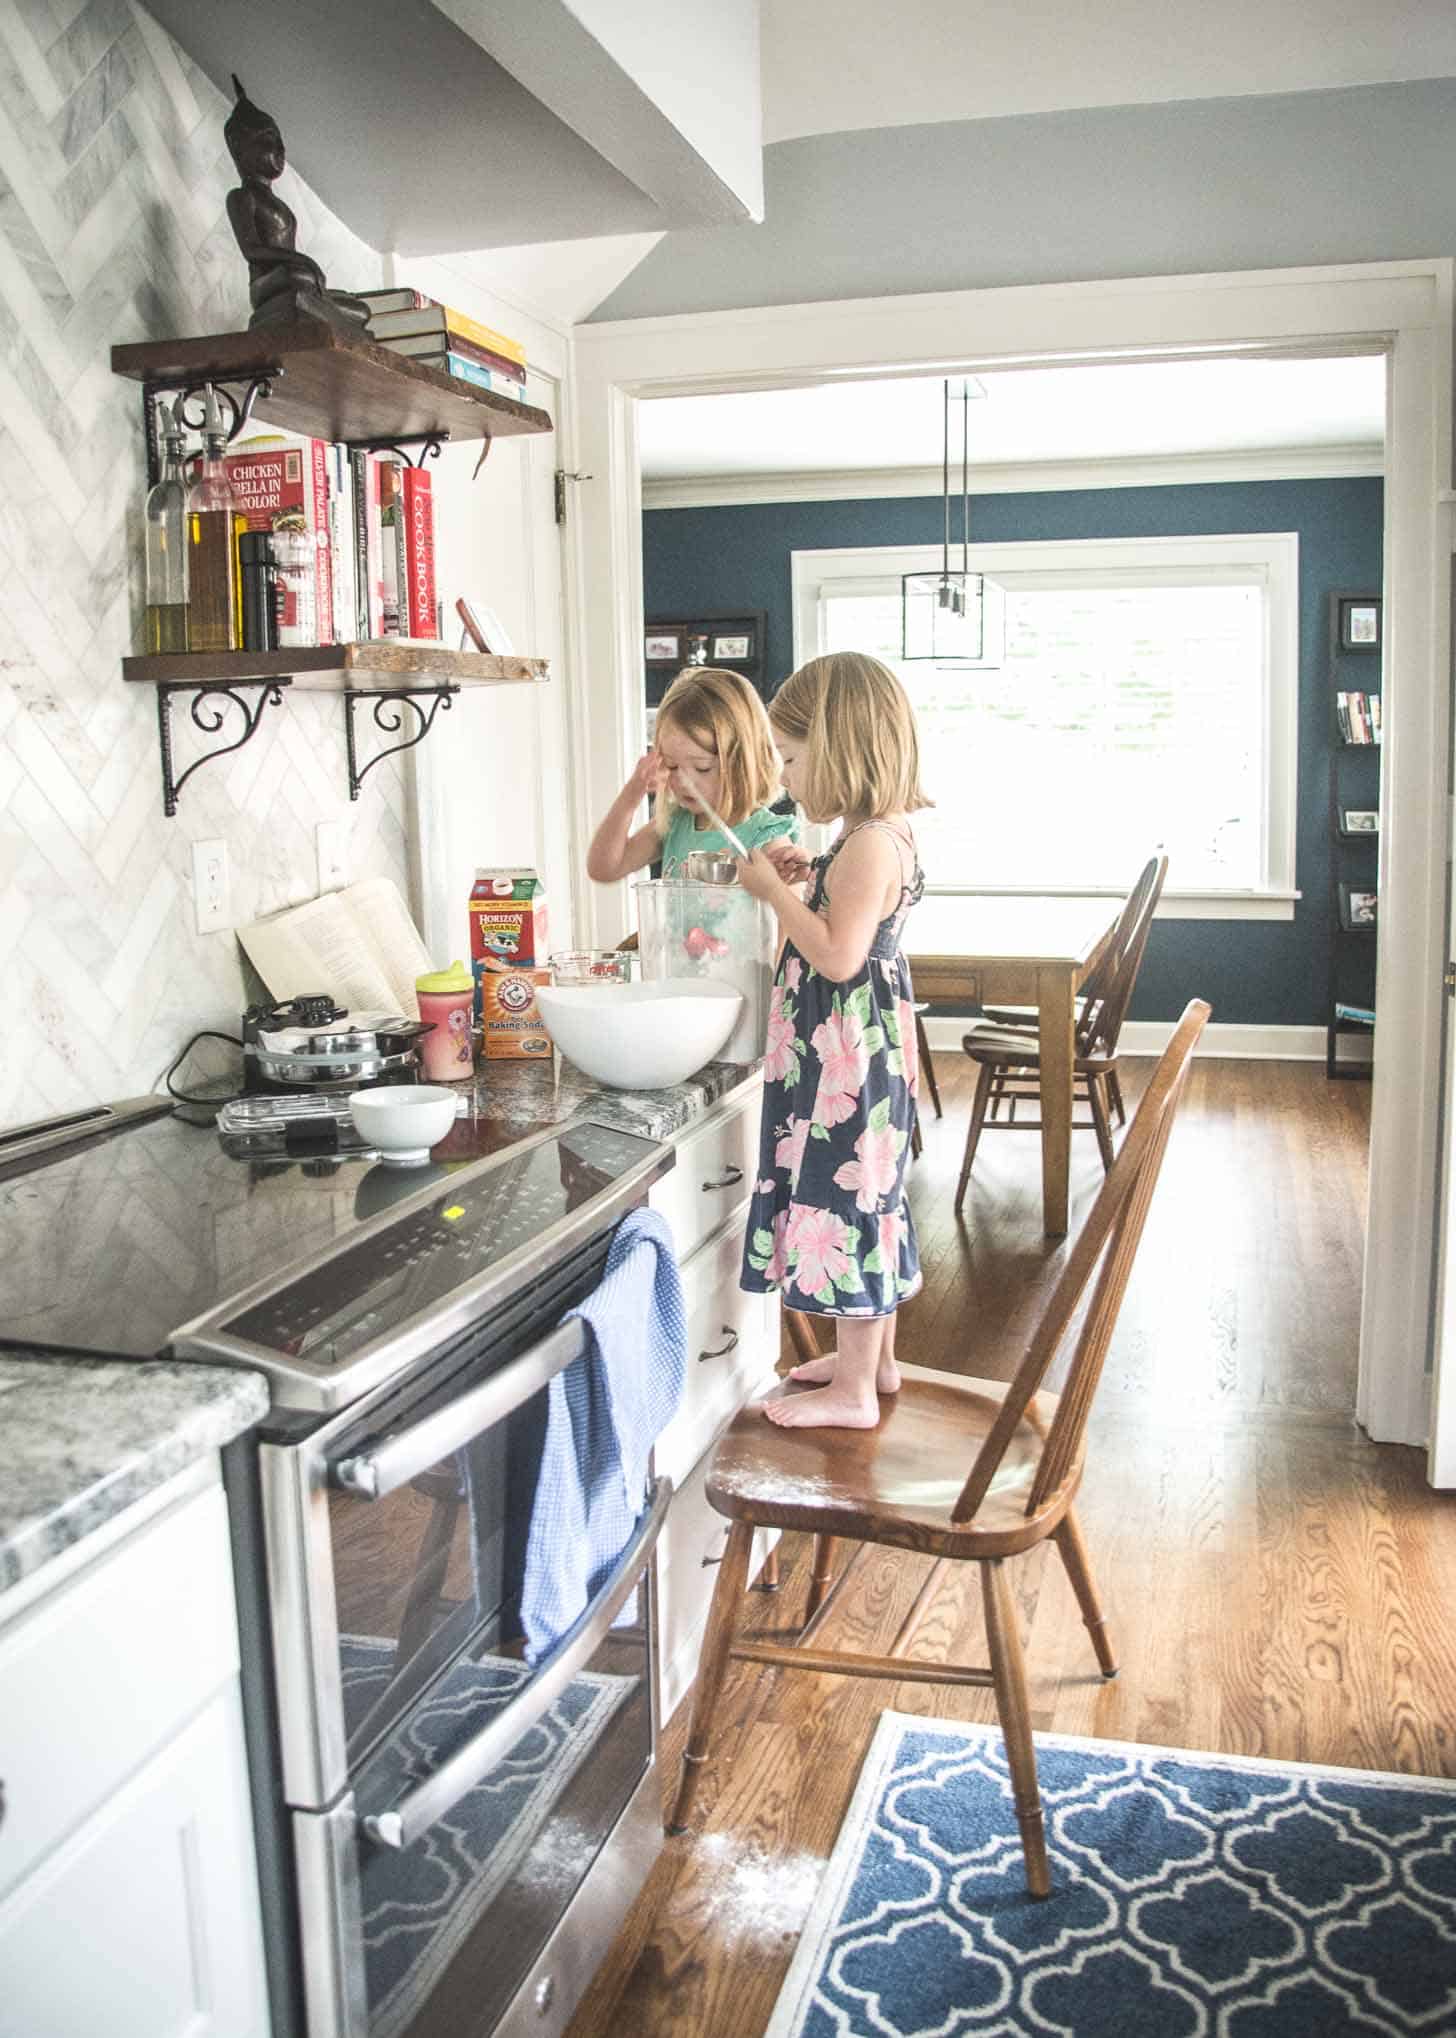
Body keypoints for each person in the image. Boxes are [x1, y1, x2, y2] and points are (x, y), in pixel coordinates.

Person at [735, 652, 929, 1429]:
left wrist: (775, 891)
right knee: (868, 1195)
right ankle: (871, 1364)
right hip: (859, 1050)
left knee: (847, 1199)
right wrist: (808, 874)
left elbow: (839, 955)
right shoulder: (871, 835)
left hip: (847, 1059)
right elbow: (850, 916)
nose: (786, 779)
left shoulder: (870, 843)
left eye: (791, 758)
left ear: (841, 746)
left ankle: (851, 1394)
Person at [586, 667, 799, 883]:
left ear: (742, 763)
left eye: (702, 768)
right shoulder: (674, 824)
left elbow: (791, 912)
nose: (683, 782)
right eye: (671, 765)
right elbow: (604, 869)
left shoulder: (766, 836)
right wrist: (631, 794)